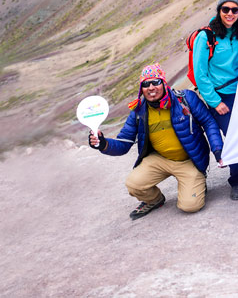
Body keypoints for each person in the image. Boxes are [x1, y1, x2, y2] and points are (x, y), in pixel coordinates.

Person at [88, 64, 224, 219]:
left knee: (190, 206)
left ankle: (198, 181)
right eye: (146, 84)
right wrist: (102, 143)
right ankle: (154, 200)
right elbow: (124, 143)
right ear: (141, 89)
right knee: (134, 184)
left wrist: (218, 150)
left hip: (189, 160)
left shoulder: (186, 98)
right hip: (159, 159)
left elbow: (209, 122)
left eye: (155, 82)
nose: (151, 87)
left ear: (164, 83)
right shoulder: (139, 111)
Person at [192, 0, 238, 201]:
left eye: (235, 10)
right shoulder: (206, 36)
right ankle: (237, 181)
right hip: (220, 96)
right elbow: (200, 74)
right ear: (219, 10)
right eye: (226, 9)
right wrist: (215, 102)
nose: (230, 13)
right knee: (234, 136)